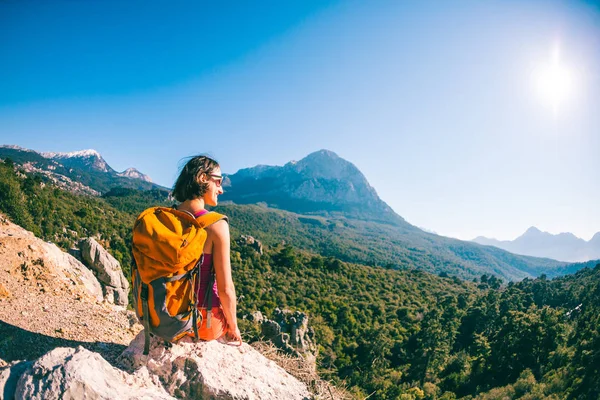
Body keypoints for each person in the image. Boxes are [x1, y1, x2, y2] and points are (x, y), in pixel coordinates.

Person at [171, 155, 242, 345]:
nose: (221, 189)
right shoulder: (216, 225)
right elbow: (226, 289)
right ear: (202, 178)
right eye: (218, 181)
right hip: (201, 323)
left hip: (162, 312)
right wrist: (233, 327)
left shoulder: (165, 218)